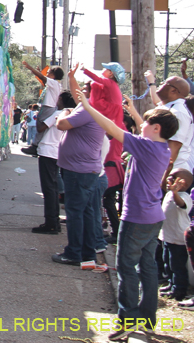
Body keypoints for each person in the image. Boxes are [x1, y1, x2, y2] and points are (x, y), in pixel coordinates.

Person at [74, 81, 177, 338]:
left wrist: (87, 105)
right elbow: (147, 130)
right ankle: (146, 318)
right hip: (153, 218)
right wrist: (134, 112)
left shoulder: (146, 146)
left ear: (155, 128)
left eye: (145, 123)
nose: (139, 125)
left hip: (137, 218)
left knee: (126, 267)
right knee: (147, 268)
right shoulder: (160, 146)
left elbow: (112, 127)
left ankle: (127, 320)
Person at [51, 65, 105, 266]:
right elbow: (76, 94)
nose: (82, 88)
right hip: (84, 169)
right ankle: (87, 253)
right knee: (86, 212)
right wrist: (72, 78)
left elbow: (62, 124)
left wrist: (64, 113)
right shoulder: (90, 107)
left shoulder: (89, 110)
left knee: (75, 213)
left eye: (87, 86)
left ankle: (74, 253)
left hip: (78, 171)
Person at [33, 91, 75, 235]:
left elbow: (41, 127)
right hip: (59, 152)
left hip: (47, 151)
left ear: (62, 100)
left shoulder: (61, 112)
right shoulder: (74, 113)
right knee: (54, 187)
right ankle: (54, 221)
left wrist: (41, 115)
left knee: (49, 188)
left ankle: (51, 222)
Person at [144, 71, 193, 178]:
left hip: (170, 173)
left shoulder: (179, 112)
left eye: (164, 83)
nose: (161, 84)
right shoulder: (166, 106)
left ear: (173, 90)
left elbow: (174, 146)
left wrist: (161, 176)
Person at [158, 168, 193, 302]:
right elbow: (163, 186)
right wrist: (166, 171)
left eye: (172, 177)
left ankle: (179, 289)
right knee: (167, 262)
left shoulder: (184, 197)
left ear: (182, 183)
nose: (168, 180)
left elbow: (181, 204)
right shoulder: (169, 193)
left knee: (177, 265)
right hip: (167, 236)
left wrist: (175, 192)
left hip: (178, 239)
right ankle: (171, 284)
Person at [20, 61, 64, 156]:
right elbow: (43, 80)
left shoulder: (54, 83)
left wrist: (31, 68)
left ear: (53, 75)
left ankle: (35, 146)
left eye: (48, 72)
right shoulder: (53, 84)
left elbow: (43, 78)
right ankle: (36, 146)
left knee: (41, 127)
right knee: (39, 124)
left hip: (49, 107)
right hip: (46, 106)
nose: (47, 74)